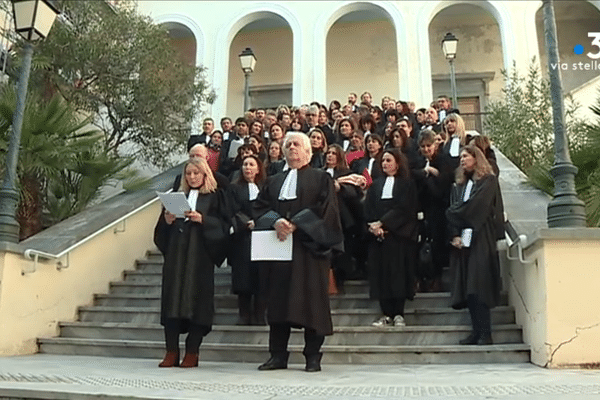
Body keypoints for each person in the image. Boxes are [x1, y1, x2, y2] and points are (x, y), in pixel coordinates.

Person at [252, 132, 343, 373]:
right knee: (278, 302)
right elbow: (260, 207)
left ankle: (312, 357)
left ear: (308, 152)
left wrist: (296, 224)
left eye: (297, 144)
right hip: (279, 251)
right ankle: (278, 355)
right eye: (288, 144)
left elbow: (326, 210)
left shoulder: (321, 178)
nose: (292, 148)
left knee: (311, 304)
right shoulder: (273, 181)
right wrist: (276, 222)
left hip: (309, 251)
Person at [153, 158, 228, 368]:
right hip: (176, 258)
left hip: (200, 258)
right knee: (172, 302)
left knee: (197, 304)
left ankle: (192, 351)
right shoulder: (177, 197)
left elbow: (223, 226)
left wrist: (203, 220)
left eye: (196, 173)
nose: (192, 177)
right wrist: (167, 222)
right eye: (189, 174)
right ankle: (171, 351)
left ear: (205, 175)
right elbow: (160, 235)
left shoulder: (215, 198)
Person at [446, 145, 505, 346]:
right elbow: (454, 208)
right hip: (462, 239)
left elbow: (475, 207)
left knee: (479, 285)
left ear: (476, 158)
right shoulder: (461, 184)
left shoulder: (488, 181)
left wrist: (457, 214)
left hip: (481, 236)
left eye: (466, 156)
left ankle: (485, 332)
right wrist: (454, 235)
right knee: (468, 287)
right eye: (461, 157)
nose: (462, 160)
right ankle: (475, 331)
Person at [364, 148, 419, 327]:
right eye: (383, 161)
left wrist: (384, 223)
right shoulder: (375, 185)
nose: (385, 164)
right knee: (381, 275)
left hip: (398, 237)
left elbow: (405, 209)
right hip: (378, 239)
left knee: (398, 274)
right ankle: (385, 313)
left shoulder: (406, 184)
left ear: (397, 163)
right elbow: (368, 209)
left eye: (388, 160)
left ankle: (398, 313)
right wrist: (373, 226)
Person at [226, 155, 267, 326]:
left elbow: (270, 208)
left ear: (258, 169)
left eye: (251, 164)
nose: (247, 167)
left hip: (263, 236)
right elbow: (231, 210)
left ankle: (260, 314)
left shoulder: (266, 187)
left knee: (261, 276)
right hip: (243, 237)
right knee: (243, 277)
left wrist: (259, 222)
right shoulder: (234, 188)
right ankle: (244, 314)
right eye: (245, 164)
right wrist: (245, 223)